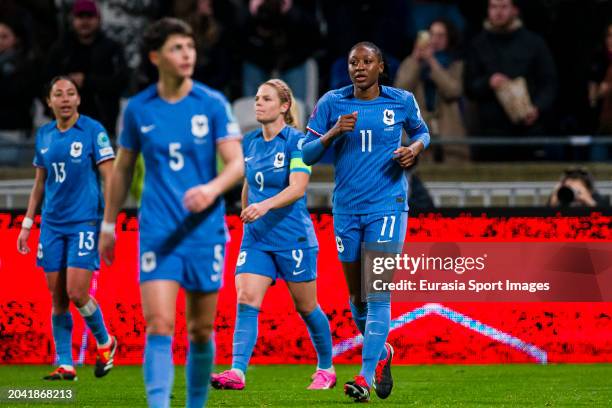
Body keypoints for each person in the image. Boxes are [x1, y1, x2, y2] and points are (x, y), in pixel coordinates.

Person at [97, 18, 243, 408]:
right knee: (159, 324)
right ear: (155, 56)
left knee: (199, 330)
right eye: (177, 48)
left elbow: (236, 163)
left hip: (204, 231)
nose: (186, 55)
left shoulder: (212, 103)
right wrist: (108, 224)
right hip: (158, 231)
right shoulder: (139, 109)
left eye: (190, 47)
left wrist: (210, 189)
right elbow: (124, 168)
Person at [302, 41, 430, 402]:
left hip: (388, 206)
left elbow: (423, 132)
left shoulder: (401, 101)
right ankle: (382, 352)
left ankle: (362, 375)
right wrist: (332, 134)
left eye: (367, 61)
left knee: (377, 292)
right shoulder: (331, 103)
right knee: (356, 298)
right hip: (346, 208)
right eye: (353, 62)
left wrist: (414, 149)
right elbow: (306, 154)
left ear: (380, 67)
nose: (359, 67)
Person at [210, 79, 335, 391]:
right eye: (256, 98)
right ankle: (237, 372)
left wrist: (262, 207)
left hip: (292, 236)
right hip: (257, 237)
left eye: (266, 99)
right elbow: (248, 183)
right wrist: (247, 211)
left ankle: (326, 368)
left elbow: (297, 188)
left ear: (284, 106)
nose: (258, 103)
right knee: (246, 297)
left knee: (307, 307)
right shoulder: (249, 143)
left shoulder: (297, 142)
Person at [16, 76, 117, 381]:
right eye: (58, 94)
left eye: (70, 93)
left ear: (78, 100)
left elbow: (110, 178)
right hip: (51, 225)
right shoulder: (44, 134)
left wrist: (109, 223)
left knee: (76, 291)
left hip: (84, 222)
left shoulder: (92, 131)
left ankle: (105, 342)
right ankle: (65, 364)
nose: (64, 99)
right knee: (57, 296)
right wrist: (27, 224)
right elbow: (39, 184)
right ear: (49, 102)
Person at [464, 0, 556, 161]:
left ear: (515, 10)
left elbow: (549, 83)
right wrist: (489, 82)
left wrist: (537, 108)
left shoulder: (534, 43)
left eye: (504, 6)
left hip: (529, 131)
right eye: (493, 6)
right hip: (491, 135)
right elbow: (468, 87)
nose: (498, 12)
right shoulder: (478, 44)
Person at [46, 0, 129, 137]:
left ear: (98, 19)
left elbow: (121, 80)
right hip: (66, 124)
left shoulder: (112, 48)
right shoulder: (60, 49)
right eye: (80, 17)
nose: (85, 22)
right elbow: (46, 80)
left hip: (102, 122)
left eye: (89, 17)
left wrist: (87, 81)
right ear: (73, 20)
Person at [395, 18, 468, 163]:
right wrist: (415, 59)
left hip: (448, 126)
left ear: (449, 39)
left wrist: (432, 62)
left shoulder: (456, 64)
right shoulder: (412, 62)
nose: (435, 40)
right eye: (432, 35)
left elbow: (453, 90)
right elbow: (400, 90)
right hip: (420, 126)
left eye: (441, 36)